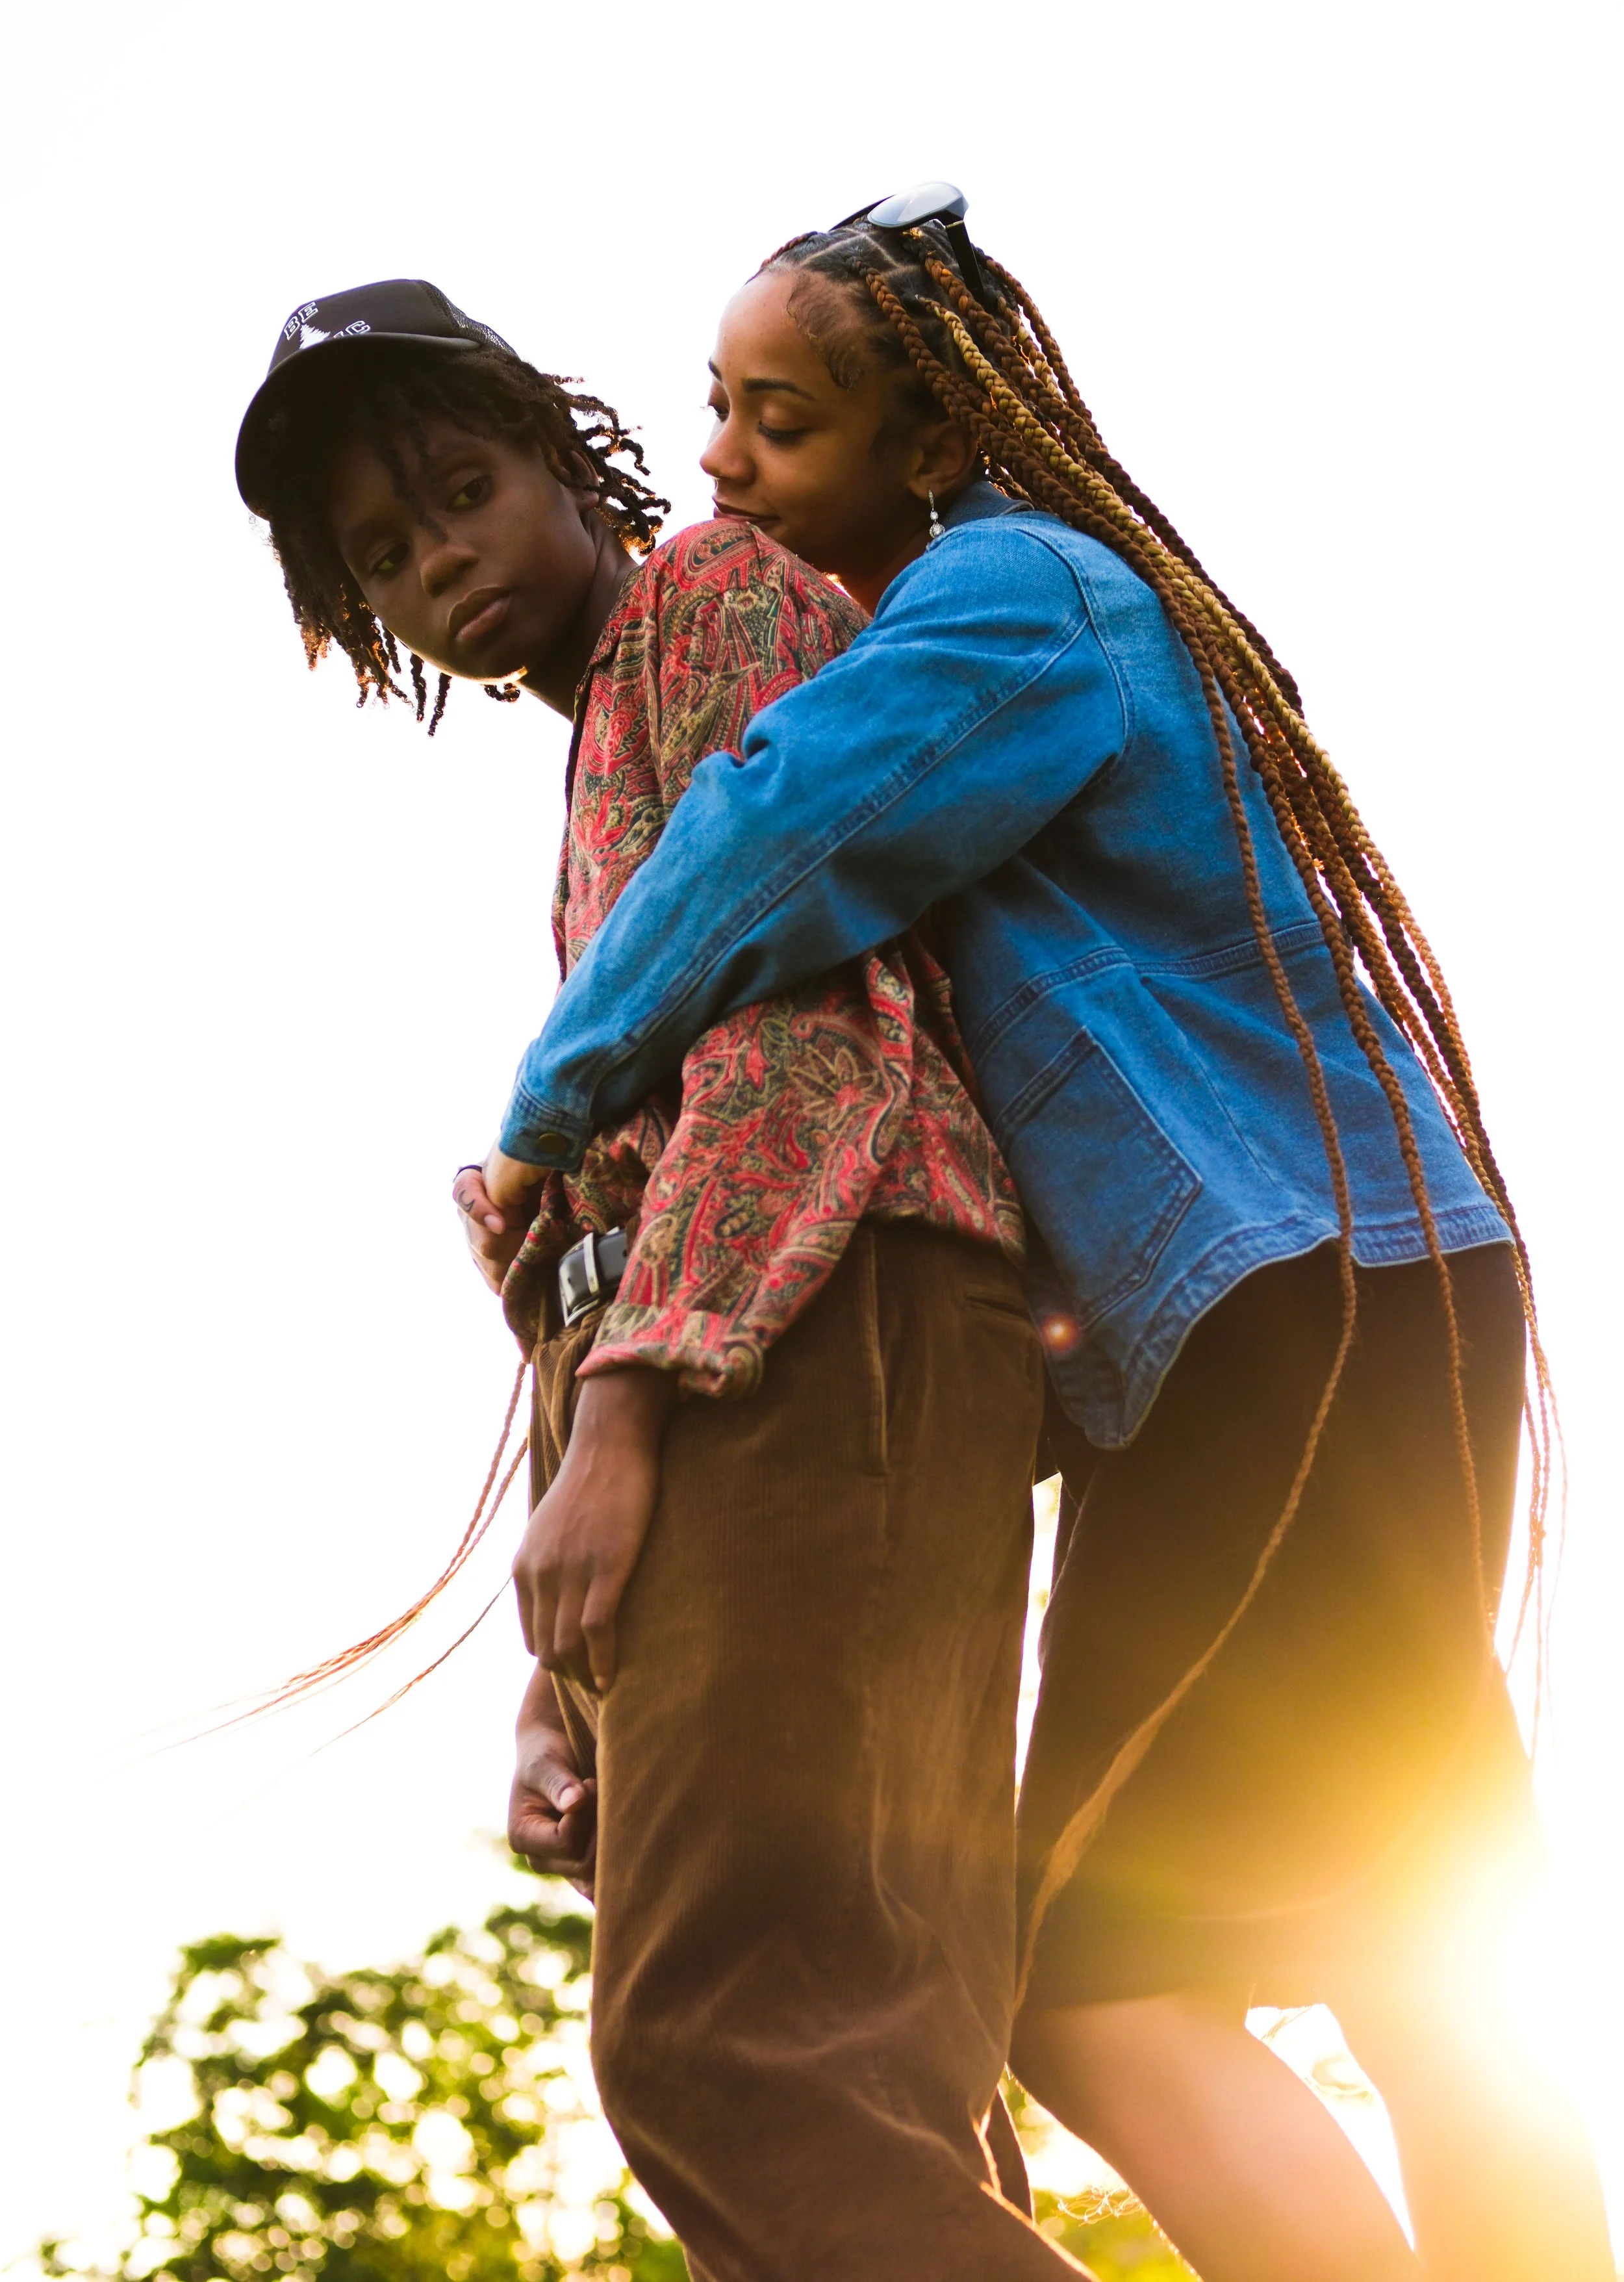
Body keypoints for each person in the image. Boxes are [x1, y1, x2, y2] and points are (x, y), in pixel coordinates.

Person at [464, 192, 1616, 2282]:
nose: (717, 463)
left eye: (780, 420)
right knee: (1416, 1924)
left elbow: (779, 821)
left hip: (1285, 1301)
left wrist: (558, 1101)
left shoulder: (1000, 600)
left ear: (927, 440)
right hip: (1374, 1280)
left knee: (1081, 1963)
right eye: (713, 409)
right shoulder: (1060, 599)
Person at [233, 277, 1090, 2282]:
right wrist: (571, 1664)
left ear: (559, 451)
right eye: (379, 552)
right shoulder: (608, 732)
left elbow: (805, 1027)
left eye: (458, 487)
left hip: (819, 1338)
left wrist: (621, 1421)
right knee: (867, 2065)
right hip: (786, 1358)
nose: (437, 555)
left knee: (728, 2051)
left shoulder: (715, 596)